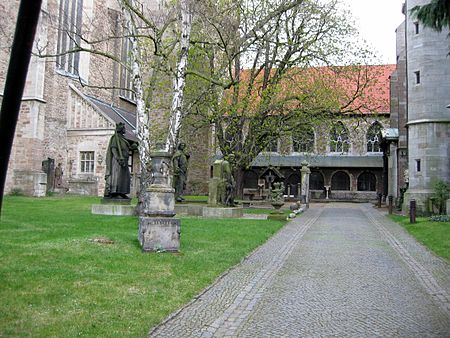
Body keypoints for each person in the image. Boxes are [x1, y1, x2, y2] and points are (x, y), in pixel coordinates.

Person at [104, 123, 135, 199]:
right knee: (118, 177)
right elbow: (113, 149)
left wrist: (132, 147)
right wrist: (118, 158)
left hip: (124, 160)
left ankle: (122, 192)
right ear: (121, 129)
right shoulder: (115, 138)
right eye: (124, 128)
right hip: (118, 162)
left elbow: (126, 148)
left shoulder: (123, 138)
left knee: (125, 177)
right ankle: (115, 192)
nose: (125, 130)